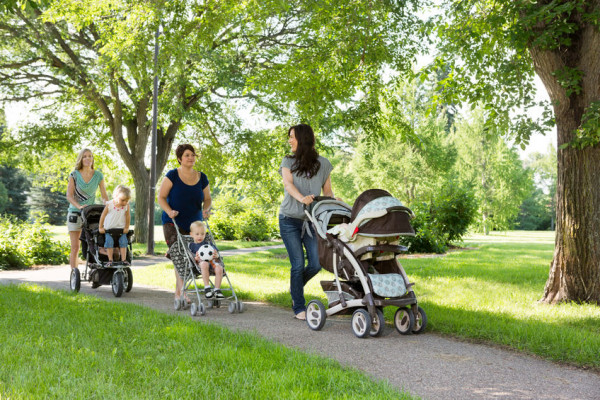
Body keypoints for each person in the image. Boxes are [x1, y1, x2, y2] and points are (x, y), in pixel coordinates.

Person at [279, 124, 335, 320]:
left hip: (312, 222)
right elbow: (288, 184)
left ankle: (295, 289)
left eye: (292, 137)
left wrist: (339, 205)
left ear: (302, 139)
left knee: (316, 263)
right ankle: (298, 306)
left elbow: (327, 193)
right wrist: (302, 198)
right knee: (297, 264)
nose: (290, 140)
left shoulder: (323, 163)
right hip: (289, 220)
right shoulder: (288, 161)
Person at [158, 144, 212, 303]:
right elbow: (161, 197)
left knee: (193, 256)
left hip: (194, 225)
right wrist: (169, 211)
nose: (191, 158)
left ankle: (182, 291)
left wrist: (206, 209)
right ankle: (181, 292)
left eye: (193, 155)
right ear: (180, 158)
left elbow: (207, 198)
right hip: (172, 222)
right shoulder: (172, 175)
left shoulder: (202, 177)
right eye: (187, 155)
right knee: (180, 256)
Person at [66, 148, 109, 270]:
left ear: (92, 159)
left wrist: (108, 207)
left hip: (90, 214)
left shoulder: (98, 175)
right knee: (75, 247)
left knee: (93, 244)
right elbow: (69, 196)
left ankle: (94, 268)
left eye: (90, 156)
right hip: (75, 213)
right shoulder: (74, 175)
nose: (88, 158)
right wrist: (79, 206)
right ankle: (74, 274)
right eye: (85, 156)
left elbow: (104, 195)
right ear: (81, 159)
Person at [189, 221, 224, 299]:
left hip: (212, 262)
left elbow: (216, 252)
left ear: (205, 234)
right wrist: (196, 258)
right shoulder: (192, 246)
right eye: (197, 234)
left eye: (202, 234)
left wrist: (216, 255)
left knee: (219, 268)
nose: (200, 236)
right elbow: (191, 257)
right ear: (191, 234)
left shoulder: (209, 244)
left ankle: (217, 289)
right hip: (200, 263)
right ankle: (207, 288)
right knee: (204, 264)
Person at [98, 185, 132, 266]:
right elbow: (103, 215)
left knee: (123, 243)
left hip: (121, 229)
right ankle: (110, 260)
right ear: (116, 196)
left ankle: (124, 260)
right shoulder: (109, 204)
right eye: (123, 200)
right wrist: (100, 227)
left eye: (127, 201)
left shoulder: (126, 206)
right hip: (109, 230)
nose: (125, 202)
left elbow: (128, 216)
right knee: (109, 243)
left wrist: (127, 227)